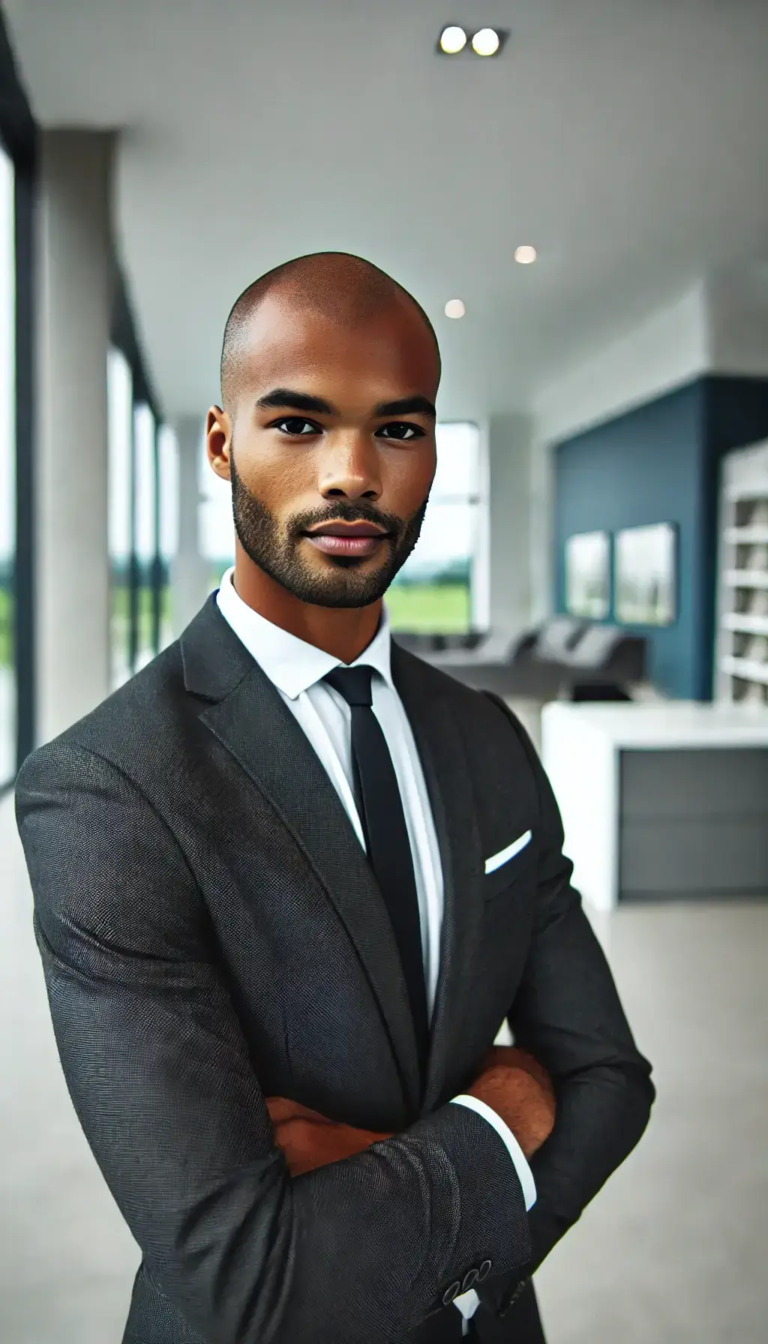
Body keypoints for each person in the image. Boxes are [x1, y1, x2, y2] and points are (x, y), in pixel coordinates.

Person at [15, 252, 654, 1344]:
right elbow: (252, 1282)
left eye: (398, 429)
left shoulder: (490, 737)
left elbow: (606, 1078)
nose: (353, 471)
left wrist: (385, 1180)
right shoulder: (104, 791)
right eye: (300, 424)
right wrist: (503, 1116)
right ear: (222, 442)